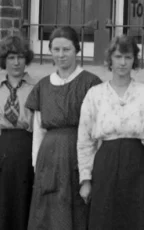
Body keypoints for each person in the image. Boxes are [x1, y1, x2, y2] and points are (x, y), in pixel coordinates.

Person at [26, 26, 101, 230]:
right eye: (56, 49)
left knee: (76, 211)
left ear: (77, 50)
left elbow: (97, 130)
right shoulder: (42, 86)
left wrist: (91, 170)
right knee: (48, 213)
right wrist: (36, 165)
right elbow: (38, 131)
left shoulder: (91, 83)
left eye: (66, 49)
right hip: (48, 158)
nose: (61, 55)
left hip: (78, 156)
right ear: (50, 51)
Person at [76, 35, 144, 230]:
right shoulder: (95, 94)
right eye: (118, 56)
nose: (122, 62)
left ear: (134, 60)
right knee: (105, 217)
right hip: (105, 162)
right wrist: (85, 179)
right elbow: (85, 140)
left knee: (135, 217)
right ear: (110, 59)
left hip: (136, 163)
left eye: (128, 57)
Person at [0, 35, 36, 230]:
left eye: (20, 57)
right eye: (11, 57)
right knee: (2, 207)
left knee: (24, 205)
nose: (16, 62)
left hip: (28, 151)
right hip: (2, 153)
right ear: (4, 60)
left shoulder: (37, 89)